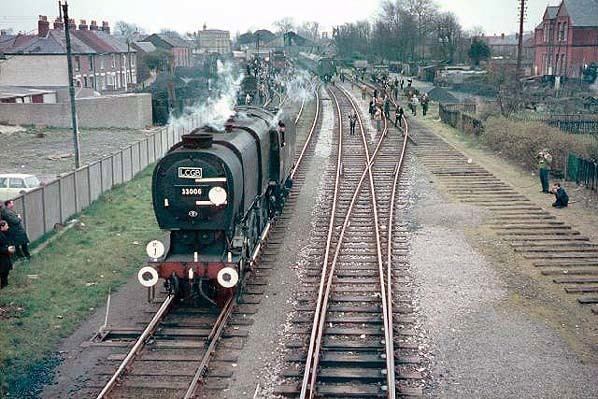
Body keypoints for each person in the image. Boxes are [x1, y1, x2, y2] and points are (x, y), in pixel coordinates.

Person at [0, 221, 15, 289]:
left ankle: (5, 284)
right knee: (3, 271)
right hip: (2, 257)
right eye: (6, 226)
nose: (8, 227)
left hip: (5, 256)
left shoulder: (5, 233)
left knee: (6, 271)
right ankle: (3, 285)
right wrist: (7, 249)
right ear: (1, 227)